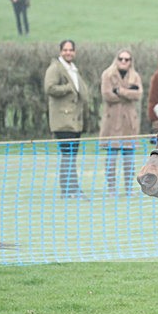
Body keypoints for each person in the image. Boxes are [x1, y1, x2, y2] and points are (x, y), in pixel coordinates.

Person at [44, 39, 90, 200]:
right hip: (62, 121)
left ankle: (69, 189)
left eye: (71, 50)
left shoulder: (73, 69)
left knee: (71, 156)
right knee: (68, 155)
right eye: (65, 50)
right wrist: (68, 88)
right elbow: (49, 87)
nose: (68, 52)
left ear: (74, 52)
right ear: (60, 51)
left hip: (74, 122)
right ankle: (71, 189)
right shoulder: (55, 68)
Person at [99, 49, 143, 196]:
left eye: (127, 59)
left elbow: (138, 94)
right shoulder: (107, 74)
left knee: (129, 158)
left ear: (131, 61)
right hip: (112, 122)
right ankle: (112, 189)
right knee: (111, 157)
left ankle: (129, 189)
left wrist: (120, 91)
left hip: (129, 122)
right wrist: (127, 93)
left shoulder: (135, 76)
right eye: (121, 58)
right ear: (116, 59)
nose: (124, 61)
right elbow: (107, 95)